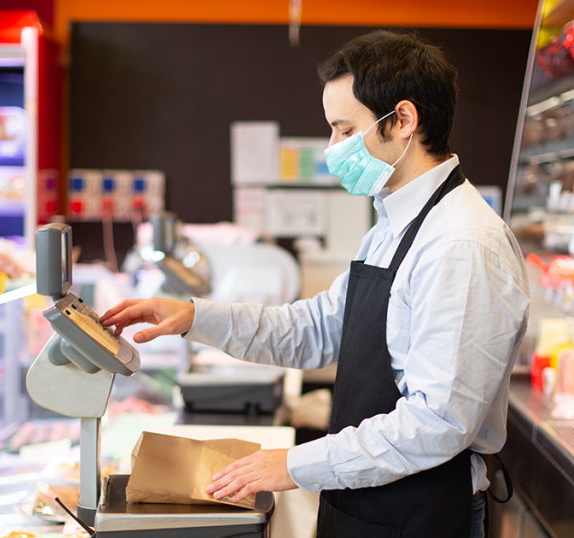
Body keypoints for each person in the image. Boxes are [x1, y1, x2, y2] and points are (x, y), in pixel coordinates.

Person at [100, 30, 529, 538]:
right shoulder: (390, 226)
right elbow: (316, 328)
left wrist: (294, 464)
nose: (333, 149)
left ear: (405, 121)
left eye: (345, 130)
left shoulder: (463, 244)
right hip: (364, 505)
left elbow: (439, 422)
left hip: (422, 517)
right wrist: (194, 316)